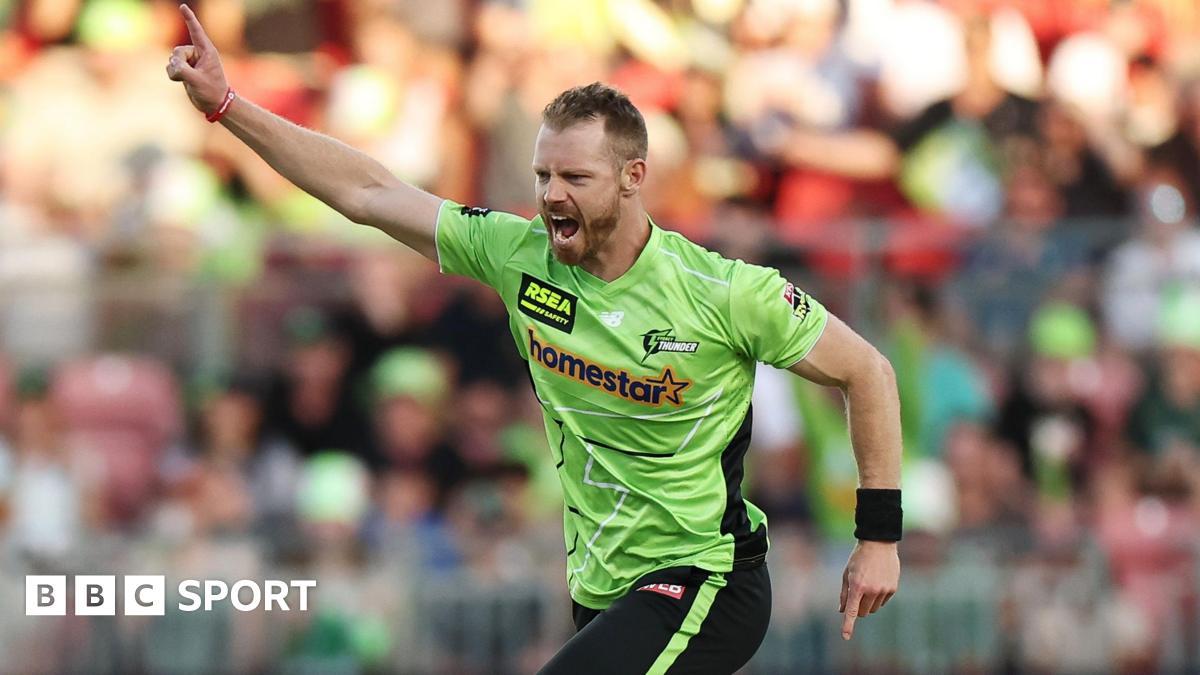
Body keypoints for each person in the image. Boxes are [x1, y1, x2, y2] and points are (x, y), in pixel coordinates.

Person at [166, 6, 902, 672]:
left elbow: (868, 371)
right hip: (601, 587)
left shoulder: (725, 292)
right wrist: (228, 107)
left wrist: (878, 538)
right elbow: (368, 192)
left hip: (708, 579)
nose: (551, 194)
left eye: (575, 176)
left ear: (633, 177)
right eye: (543, 173)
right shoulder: (517, 254)